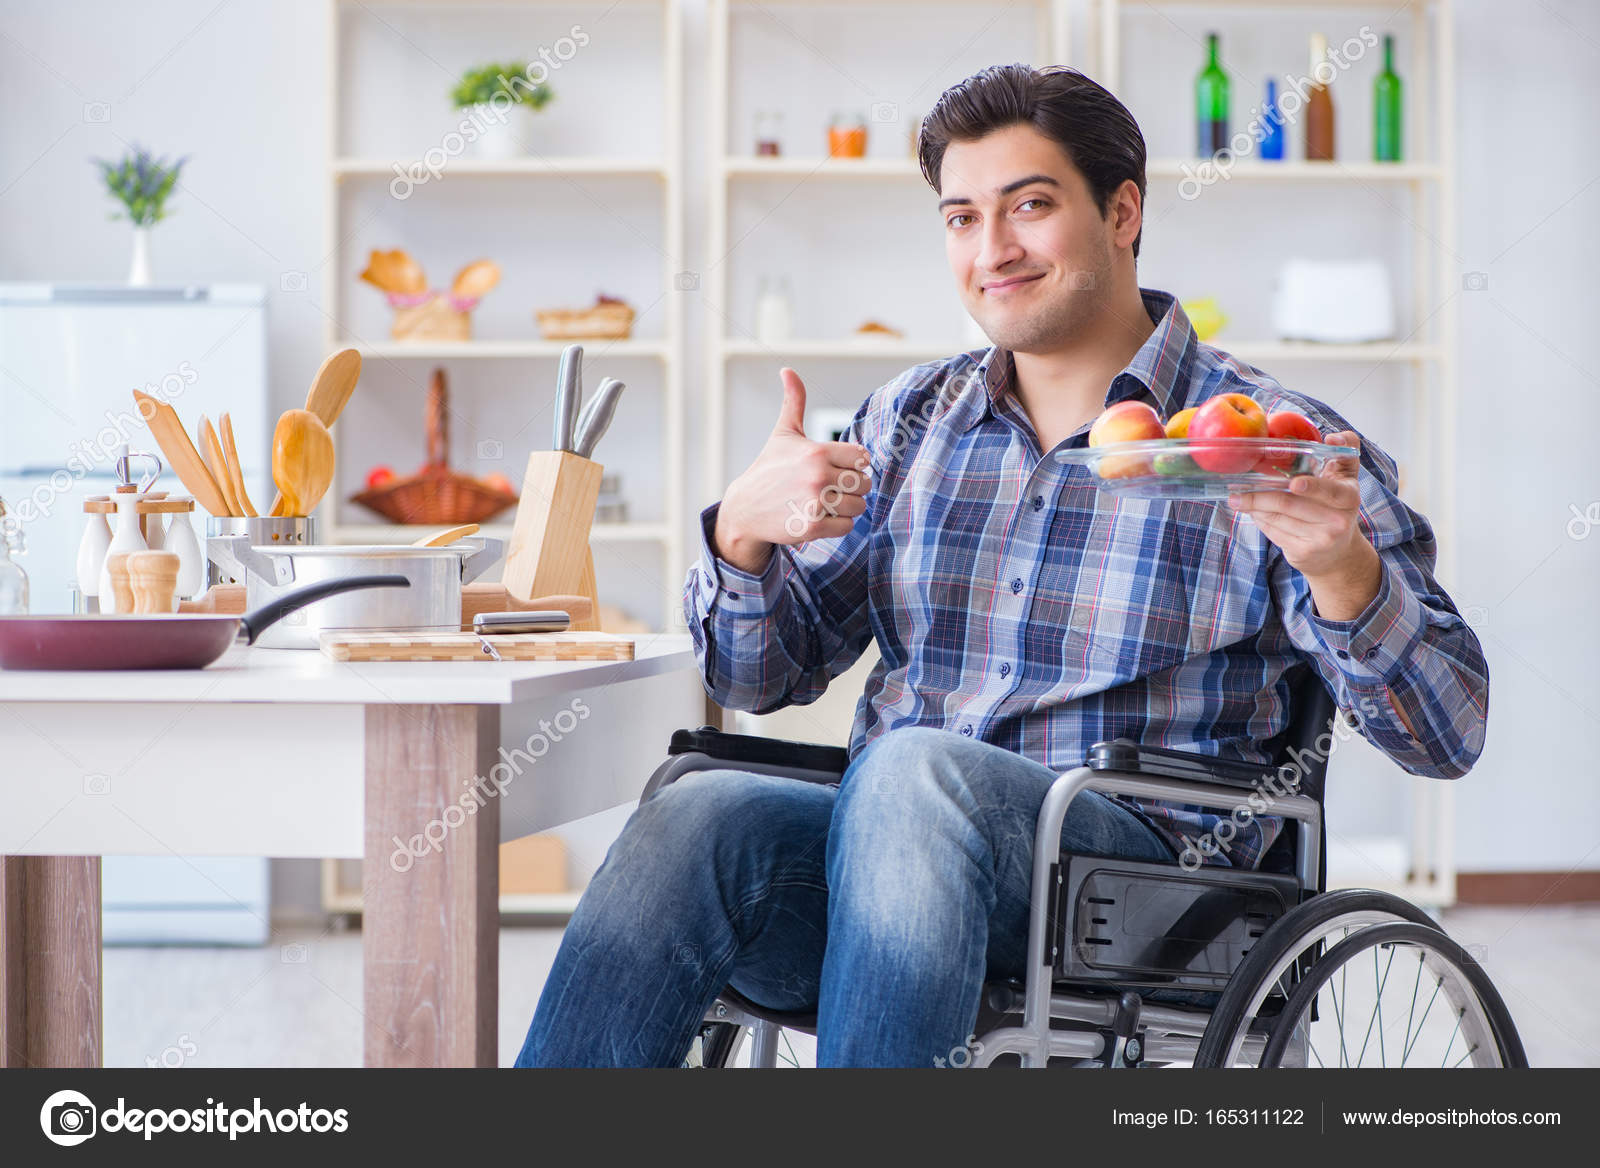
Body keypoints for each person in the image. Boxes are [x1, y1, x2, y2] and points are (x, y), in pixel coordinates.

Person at [515, 63, 1487, 1068]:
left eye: (1029, 206)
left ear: (1121, 212)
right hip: (892, 887)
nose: (993, 250)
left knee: (912, 774)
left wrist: (1345, 573)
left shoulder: (1265, 445)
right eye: (960, 217)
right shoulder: (909, 422)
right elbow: (758, 680)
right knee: (697, 814)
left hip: (1149, 895)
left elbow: (1448, 734)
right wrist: (743, 541)